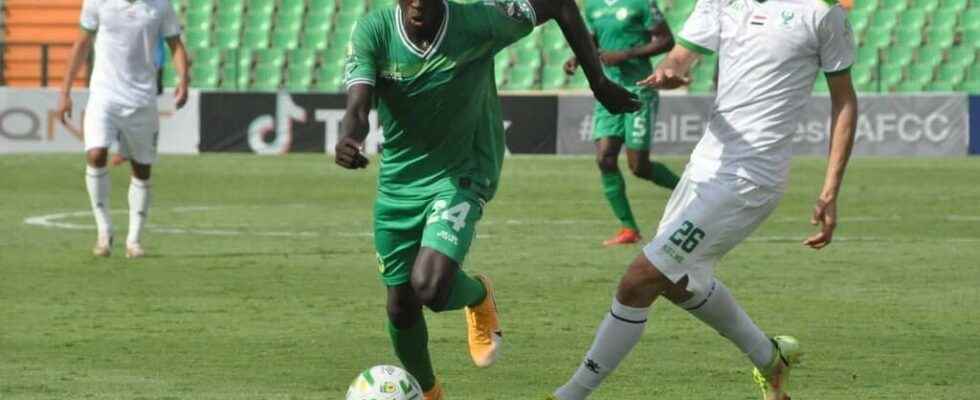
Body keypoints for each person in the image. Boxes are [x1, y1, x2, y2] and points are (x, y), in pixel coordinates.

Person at [549, 0, 857, 399]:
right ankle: (769, 358)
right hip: (706, 164)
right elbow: (680, 56)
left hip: (751, 177)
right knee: (678, 282)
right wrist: (669, 73)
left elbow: (844, 100)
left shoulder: (819, 13)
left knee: (639, 280)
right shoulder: (718, 2)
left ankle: (569, 395)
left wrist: (830, 189)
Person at [334, 0, 640, 398]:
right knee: (400, 305)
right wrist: (350, 138)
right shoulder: (373, 32)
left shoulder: (480, 21)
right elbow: (358, 107)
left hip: (464, 170)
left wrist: (598, 82)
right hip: (399, 181)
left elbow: (561, 5)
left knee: (429, 286)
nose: (415, 4)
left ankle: (478, 294)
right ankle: (429, 392)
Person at [58, 0, 189, 258]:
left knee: (141, 167)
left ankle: (134, 240)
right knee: (96, 154)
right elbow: (81, 44)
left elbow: (175, 45)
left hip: (142, 99)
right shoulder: (97, 3)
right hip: (104, 95)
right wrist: (65, 91)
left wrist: (184, 80)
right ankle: (104, 232)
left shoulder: (160, 6)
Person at [565, 0, 681, 246]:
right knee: (605, 158)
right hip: (609, 90)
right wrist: (577, 57)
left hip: (639, 89)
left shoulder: (641, 3)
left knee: (639, 167)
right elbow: (593, 39)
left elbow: (666, 40)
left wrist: (625, 54)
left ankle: (689, 191)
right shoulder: (593, 6)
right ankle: (628, 229)